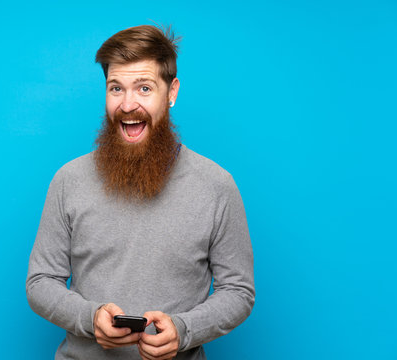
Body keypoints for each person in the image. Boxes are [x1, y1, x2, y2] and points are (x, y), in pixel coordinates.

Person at [26, 24, 255, 360]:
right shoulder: (69, 179)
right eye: (116, 88)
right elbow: (40, 282)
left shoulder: (217, 186)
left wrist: (184, 329)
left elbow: (238, 291)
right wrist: (91, 319)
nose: (128, 104)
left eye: (144, 88)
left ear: (172, 92)